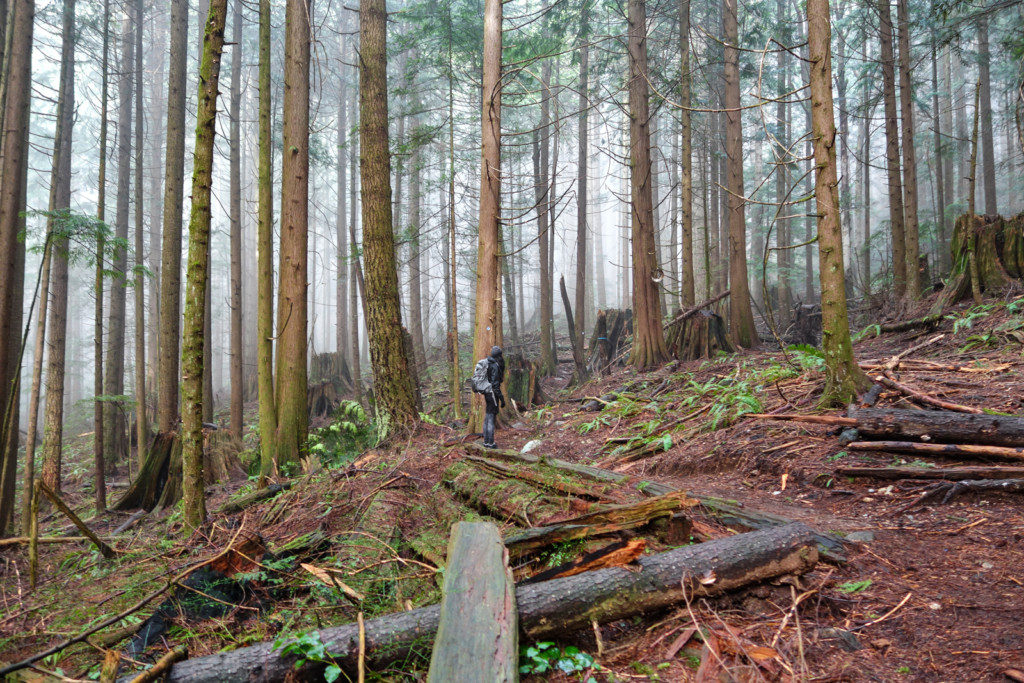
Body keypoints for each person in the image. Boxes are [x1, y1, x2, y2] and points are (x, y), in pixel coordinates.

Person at [482, 346, 505, 448]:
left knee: (487, 416)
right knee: (491, 417)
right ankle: (490, 443)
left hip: (487, 392)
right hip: (492, 394)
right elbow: (495, 384)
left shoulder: (488, 363)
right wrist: (501, 398)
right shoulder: (495, 365)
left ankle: (486, 441)